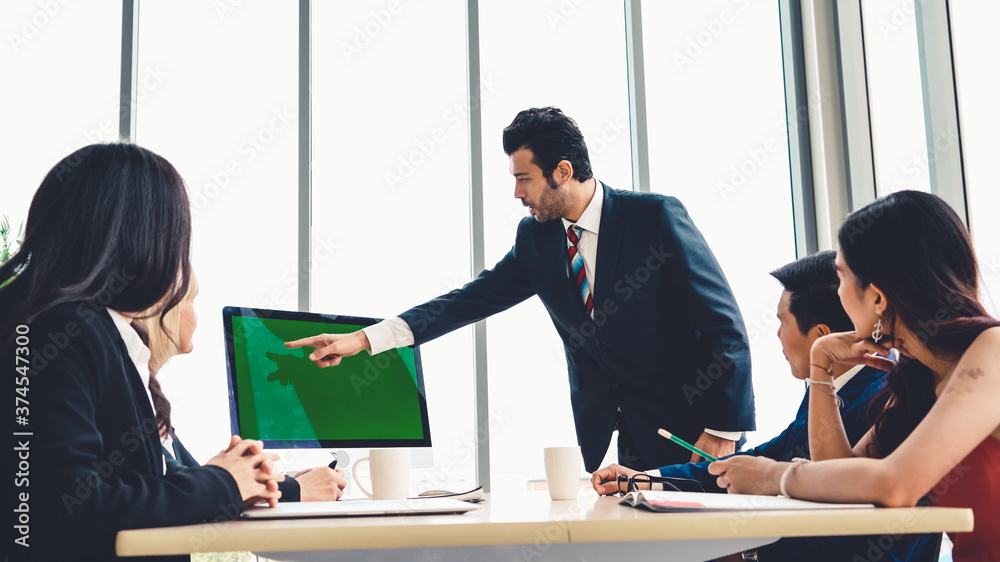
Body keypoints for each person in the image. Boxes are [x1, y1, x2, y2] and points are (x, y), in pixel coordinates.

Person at [286, 107, 754, 471]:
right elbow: (465, 301)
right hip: (618, 439)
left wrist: (723, 428)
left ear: (563, 172)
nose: (517, 194)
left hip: (695, 432)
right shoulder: (537, 240)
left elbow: (722, 324)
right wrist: (365, 339)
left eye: (523, 179)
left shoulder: (653, 218)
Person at [0, 143, 283, 561]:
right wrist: (222, 482)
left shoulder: (76, 325)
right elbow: (74, 506)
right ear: (143, 238)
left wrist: (227, 476)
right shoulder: (65, 329)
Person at [709, 191, 1000, 561]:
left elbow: (895, 485)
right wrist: (821, 363)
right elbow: (842, 478)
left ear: (877, 298)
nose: (838, 292)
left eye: (841, 276)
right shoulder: (920, 379)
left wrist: (772, 476)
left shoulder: (993, 350)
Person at [590, 250, 933, 560]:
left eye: (782, 322)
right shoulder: (834, 386)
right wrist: (648, 479)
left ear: (820, 334)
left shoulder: (880, 398)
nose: (778, 336)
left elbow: (848, 524)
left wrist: (745, 553)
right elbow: (756, 460)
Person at [137, 273, 348, 502]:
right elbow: (184, 489)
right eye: (191, 300)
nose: (196, 315)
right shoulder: (134, 395)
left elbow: (191, 479)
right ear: (161, 307)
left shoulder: (150, 396)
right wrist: (295, 488)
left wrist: (282, 482)